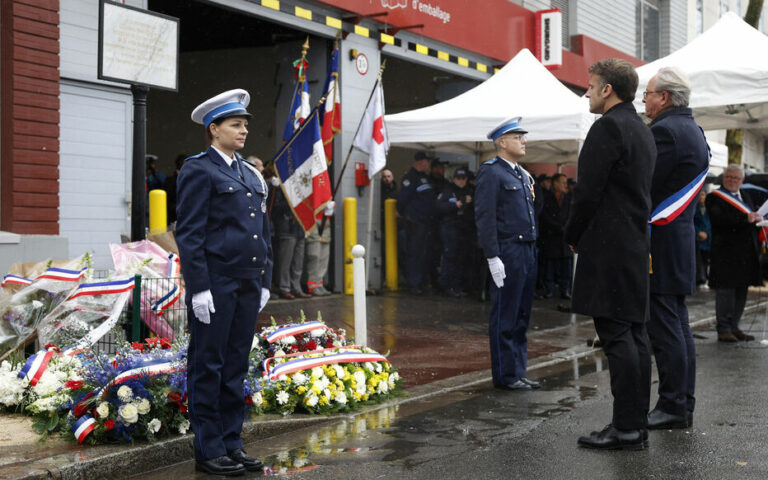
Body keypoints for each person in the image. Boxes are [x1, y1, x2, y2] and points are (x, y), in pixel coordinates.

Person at [176, 89, 271, 475]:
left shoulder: (247, 171)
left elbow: (264, 228)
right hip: (216, 284)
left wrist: (265, 277)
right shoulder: (198, 169)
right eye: (236, 124)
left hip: (247, 282)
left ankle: (232, 443)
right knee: (209, 365)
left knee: (235, 365)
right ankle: (209, 448)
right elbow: (191, 233)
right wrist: (198, 287)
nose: (243, 130)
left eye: (245, 124)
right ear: (214, 129)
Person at [565, 59, 655, 450]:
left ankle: (626, 428)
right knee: (634, 335)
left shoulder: (608, 127)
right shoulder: (642, 130)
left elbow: (588, 192)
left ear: (607, 89)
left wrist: (573, 234)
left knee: (618, 337)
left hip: (608, 247)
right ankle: (633, 423)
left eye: (590, 85)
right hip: (633, 244)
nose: (586, 91)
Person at [641, 67, 710, 431]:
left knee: (665, 328)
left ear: (664, 97)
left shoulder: (665, 131)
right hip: (678, 241)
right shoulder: (694, 130)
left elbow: (643, 184)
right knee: (678, 326)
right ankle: (682, 403)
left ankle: (672, 404)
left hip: (661, 241)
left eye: (648, 93)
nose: (644, 99)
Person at [474, 117, 540, 391]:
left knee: (522, 314)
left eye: (523, 136)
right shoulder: (491, 172)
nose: (523, 141)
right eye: (517, 137)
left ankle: (518, 370)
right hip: (508, 249)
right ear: (502, 142)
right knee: (506, 313)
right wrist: (492, 256)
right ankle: (505, 375)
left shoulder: (520, 174)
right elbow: (485, 216)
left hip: (527, 248)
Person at [706, 164, 762, 342]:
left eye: (735, 178)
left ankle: (735, 326)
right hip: (725, 253)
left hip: (745, 254)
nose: (731, 181)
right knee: (726, 292)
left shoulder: (745, 196)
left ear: (742, 181)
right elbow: (719, 219)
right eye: (728, 177)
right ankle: (723, 327)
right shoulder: (714, 197)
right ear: (723, 178)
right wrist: (745, 218)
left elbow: (751, 218)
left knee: (741, 291)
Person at [397, 152, 437, 294]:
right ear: (420, 162)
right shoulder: (410, 178)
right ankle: (413, 284)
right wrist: (402, 212)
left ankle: (422, 283)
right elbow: (402, 198)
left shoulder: (425, 178)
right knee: (414, 253)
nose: (427, 165)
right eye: (426, 161)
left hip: (426, 222)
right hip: (415, 222)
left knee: (423, 254)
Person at [436, 167, 473, 297]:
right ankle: (446, 285)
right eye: (459, 178)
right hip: (450, 228)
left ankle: (456, 285)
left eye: (463, 179)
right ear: (454, 179)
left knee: (461, 258)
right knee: (449, 256)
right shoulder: (448, 190)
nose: (461, 181)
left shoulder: (469, 191)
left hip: (463, 229)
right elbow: (439, 207)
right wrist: (456, 205)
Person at [539, 173, 572, 299]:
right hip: (551, 236)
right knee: (550, 265)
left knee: (566, 266)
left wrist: (566, 228)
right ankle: (549, 289)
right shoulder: (547, 197)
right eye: (562, 182)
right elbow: (544, 216)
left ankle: (565, 290)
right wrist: (558, 227)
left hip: (565, 237)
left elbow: (572, 214)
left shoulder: (569, 198)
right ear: (555, 183)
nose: (565, 185)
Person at [694, 190, 712, 287]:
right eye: (699, 195)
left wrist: (707, 234)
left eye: (703, 195)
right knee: (698, 259)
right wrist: (698, 232)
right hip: (698, 239)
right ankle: (700, 278)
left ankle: (704, 277)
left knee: (705, 260)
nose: (701, 197)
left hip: (708, 239)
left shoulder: (709, 208)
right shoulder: (694, 209)